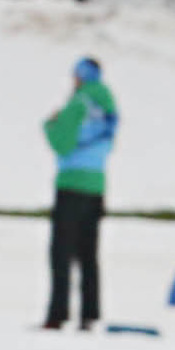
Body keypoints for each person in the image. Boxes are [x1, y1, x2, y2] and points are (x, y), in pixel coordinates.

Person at [42, 56, 117, 330]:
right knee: (88, 253)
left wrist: (50, 125)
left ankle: (57, 314)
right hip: (97, 185)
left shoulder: (78, 103)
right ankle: (89, 314)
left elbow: (62, 143)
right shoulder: (109, 105)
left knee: (61, 252)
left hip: (71, 182)